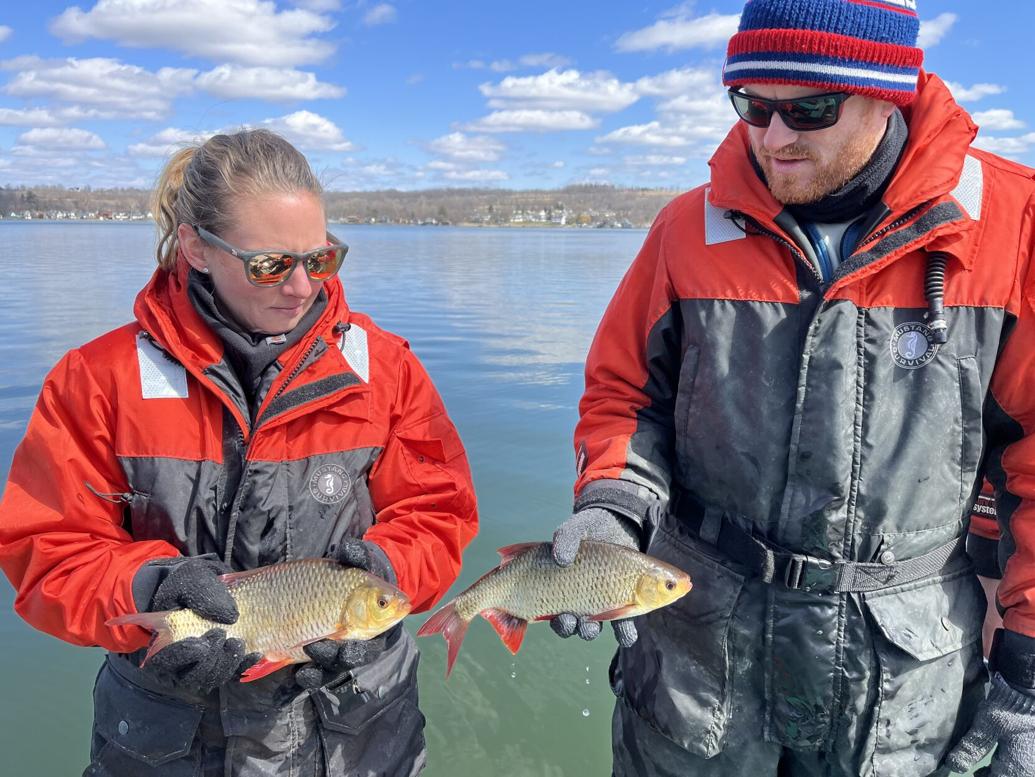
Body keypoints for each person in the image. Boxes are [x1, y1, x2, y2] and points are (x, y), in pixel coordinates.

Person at [548, 1, 1035, 775]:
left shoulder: (1013, 225)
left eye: (808, 109)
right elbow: (623, 395)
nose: (773, 138)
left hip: (899, 685)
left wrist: (1029, 668)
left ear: (887, 93)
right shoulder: (684, 229)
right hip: (697, 661)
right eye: (751, 105)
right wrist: (612, 504)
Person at [0, 129, 478, 776]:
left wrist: (383, 568)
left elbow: (439, 512)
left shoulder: (386, 369)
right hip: (169, 743)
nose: (301, 286)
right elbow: (45, 552)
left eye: (321, 259)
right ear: (197, 247)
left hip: (358, 732)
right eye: (270, 264)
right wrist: (149, 589)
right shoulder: (98, 380)